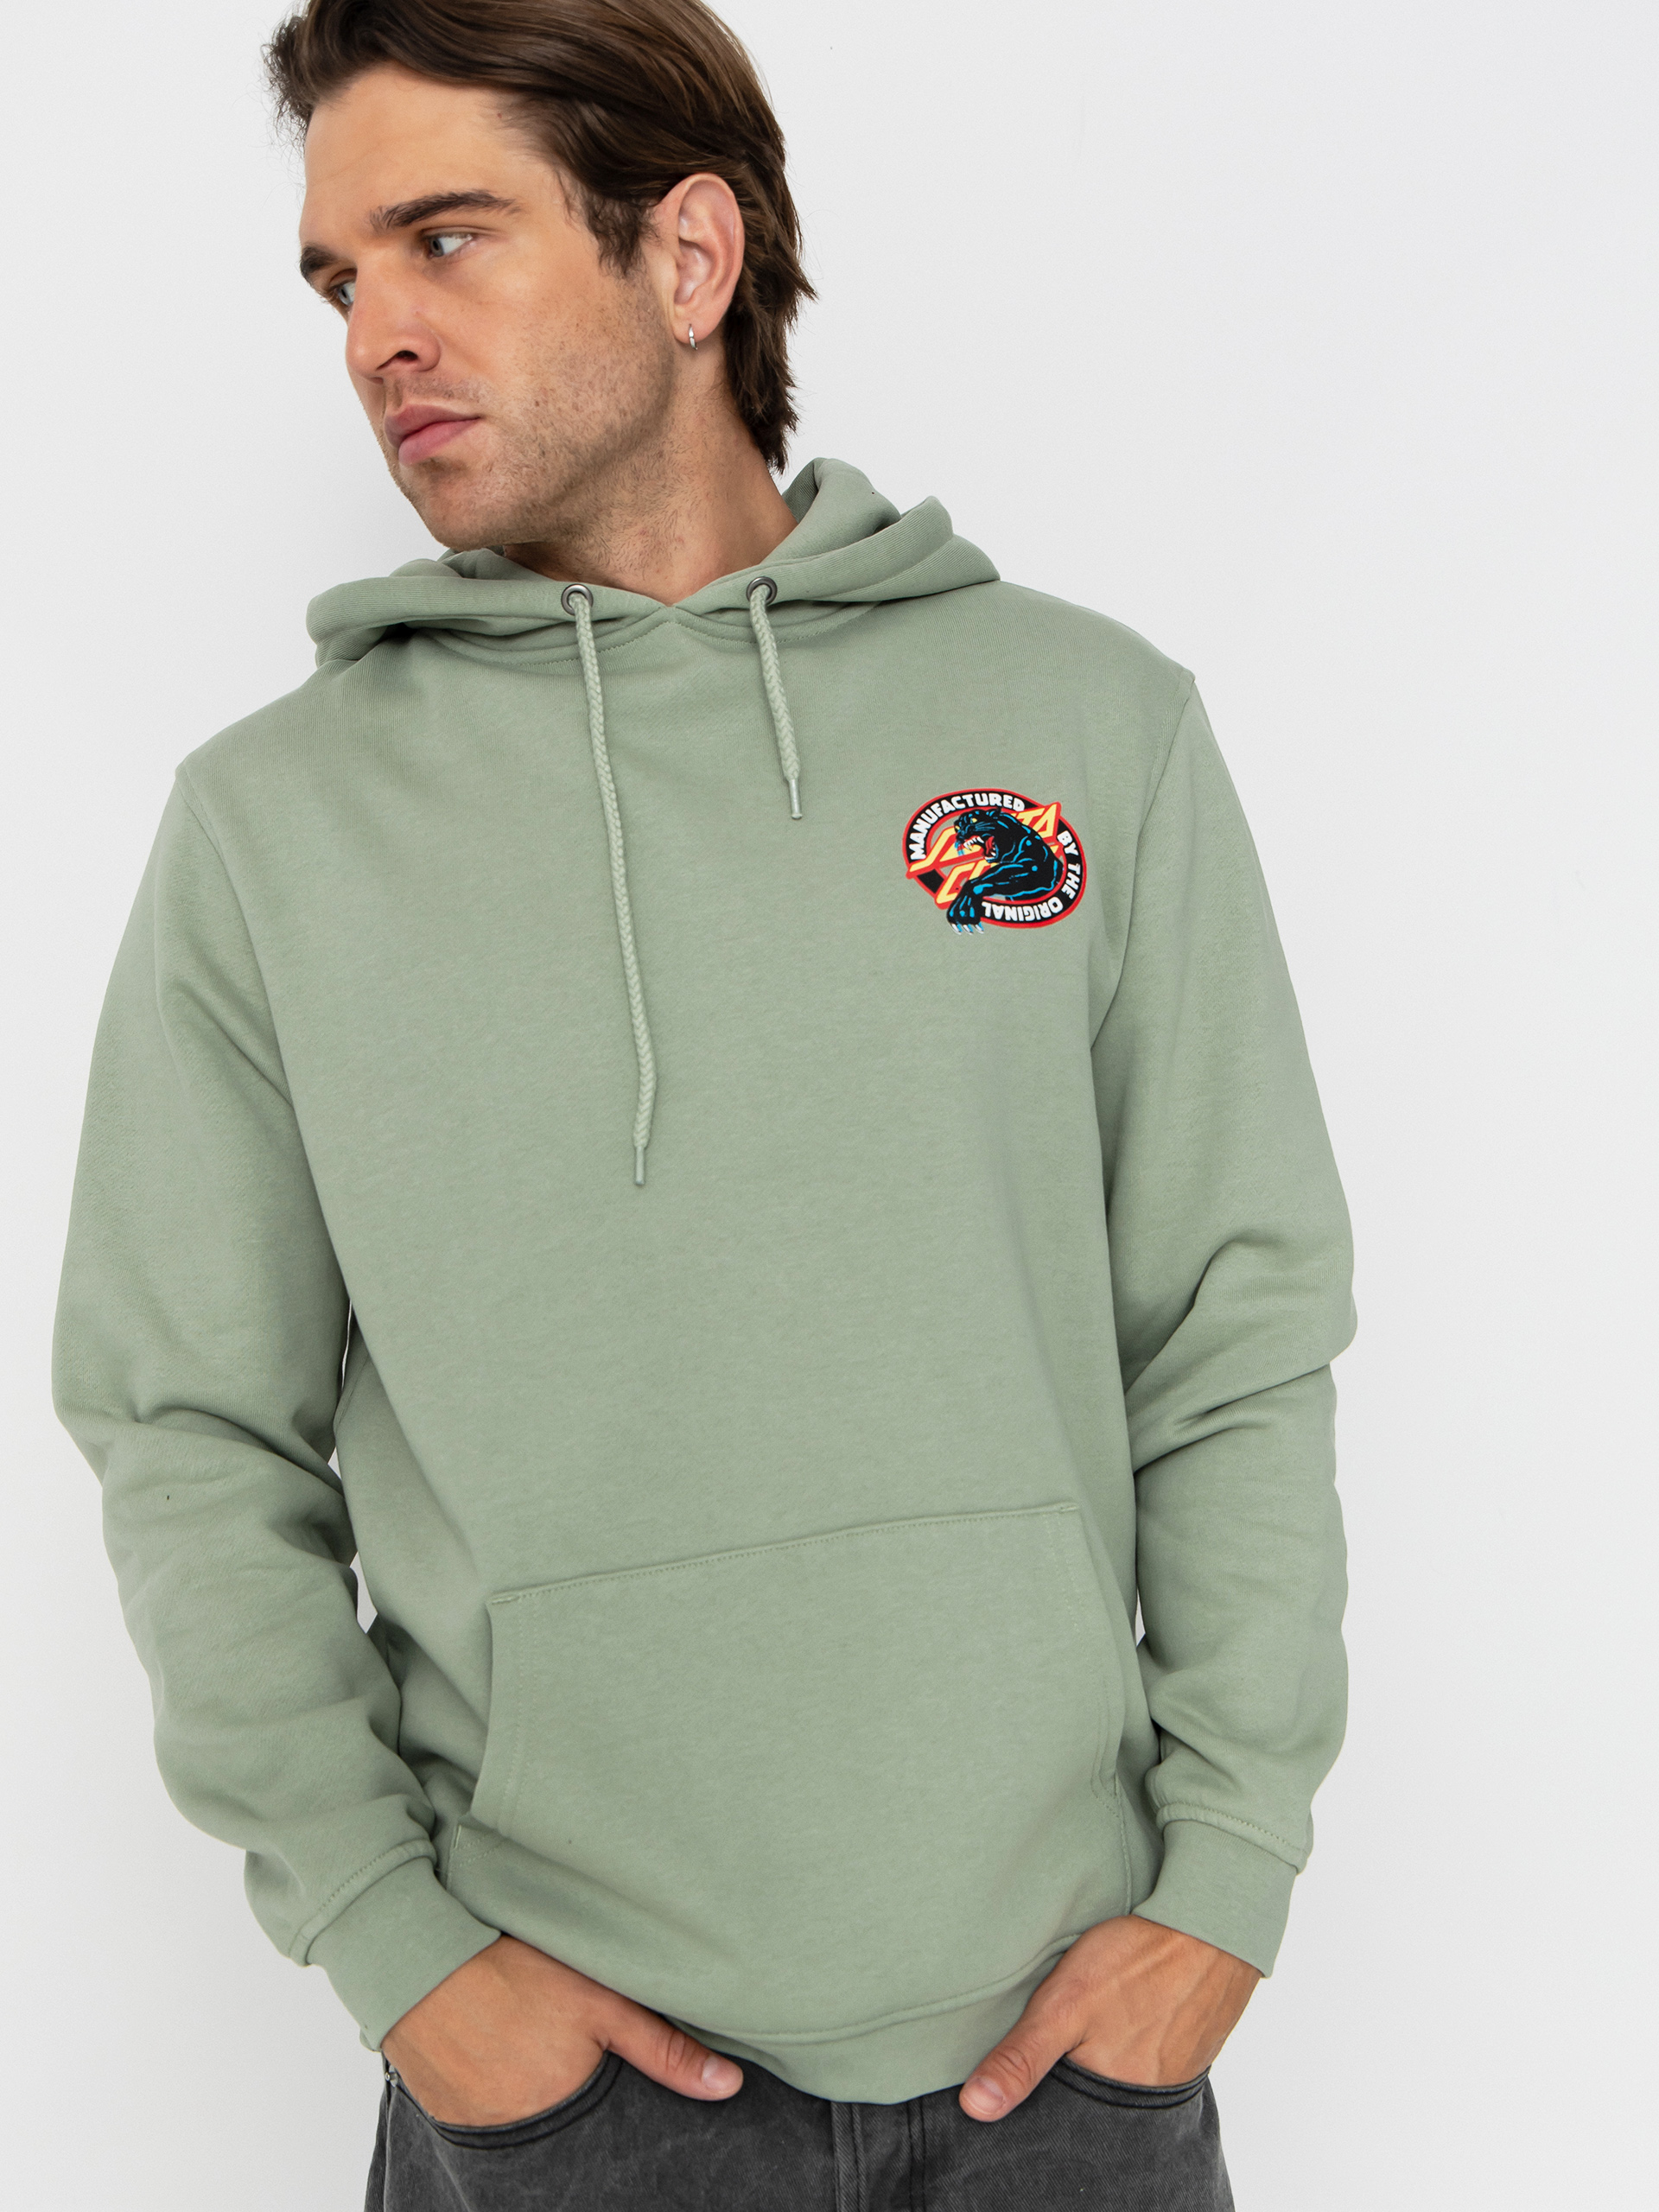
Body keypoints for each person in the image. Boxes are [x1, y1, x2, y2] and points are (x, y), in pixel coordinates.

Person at [51, 3, 1355, 2205]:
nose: (376, 334)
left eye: (444, 238)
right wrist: (395, 1943)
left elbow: (1232, 1329)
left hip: (1070, 2058)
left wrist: (1226, 1873)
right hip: (565, 2088)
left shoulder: (1081, 725)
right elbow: (187, 1423)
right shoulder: (274, 828)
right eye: (339, 276)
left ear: (686, 255)